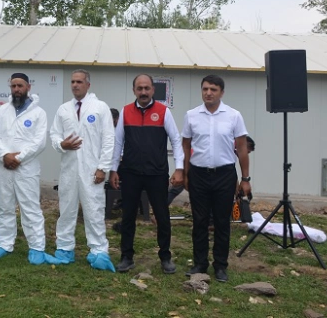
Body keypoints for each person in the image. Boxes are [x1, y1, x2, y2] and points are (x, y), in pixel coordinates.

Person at [109, 73, 184, 274]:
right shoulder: (126, 111)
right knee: (128, 216)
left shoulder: (163, 112)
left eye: (147, 88)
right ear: (134, 90)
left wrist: (179, 168)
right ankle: (126, 256)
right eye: (139, 88)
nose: (143, 92)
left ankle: (165, 257)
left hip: (156, 174)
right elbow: (118, 142)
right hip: (130, 173)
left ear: (153, 90)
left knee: (162, 216)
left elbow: (176, 140)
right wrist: (114, 169)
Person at [0, 72, 66, 265]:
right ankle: (5, 244)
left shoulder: (38, 113)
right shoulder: (3, 110)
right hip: (4, 166)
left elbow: (39, 143)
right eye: (13, 86)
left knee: (30, 209)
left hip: (26, 168)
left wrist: (18, 158)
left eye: (20, 86)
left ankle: (37, 247)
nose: (16, 89)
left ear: (28, 87)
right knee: (5, 207)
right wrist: (4, 155)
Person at [181, 74, 251, 282]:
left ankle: (220, 266)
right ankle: (200, 263)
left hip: (224, 175)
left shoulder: (233, 116)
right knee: (199, 221)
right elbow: (185, 146)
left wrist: (245, 178)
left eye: (213, 89)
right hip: (198, 174)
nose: (208, 93)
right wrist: (185, 173)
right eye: (205, 89)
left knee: (222, 222)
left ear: (221, 92)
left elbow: (242, 148)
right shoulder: (191, 115)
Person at [50, 70, 116, 271]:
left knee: (94, 210)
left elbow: (108, 139)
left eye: (79, 82)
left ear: (88, 84)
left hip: (92, 170)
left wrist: (102, 168)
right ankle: (64, 248)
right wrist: (61, 144)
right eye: (72, 82)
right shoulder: (63, 109)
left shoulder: (100, 108)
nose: (75, 85)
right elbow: (54, 134)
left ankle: (98, 250)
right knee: (66, 209)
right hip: (69, 169)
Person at [167, 136, 256, 206]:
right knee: (177, 188)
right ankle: (161, 209)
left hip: (196, 163)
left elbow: (231, 172)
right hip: (194, 163)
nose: (244, 155)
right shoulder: (228, 145)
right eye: (247, 152)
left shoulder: (229, 145)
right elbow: (231, 174)